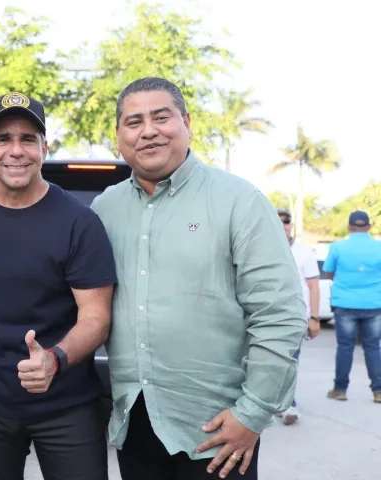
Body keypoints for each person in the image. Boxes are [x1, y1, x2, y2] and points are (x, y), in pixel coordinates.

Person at [90, 77, 306, 480]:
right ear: (119, 136)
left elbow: (280, 314)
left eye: (161, 117)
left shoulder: (239, 201)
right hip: (134, 423)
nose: (148, 130)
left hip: (218, 432)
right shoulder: (105, 208)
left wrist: (253, 414)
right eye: (134, 121)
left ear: (186, 122)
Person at [0, 92, 117, 480]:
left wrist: (54, 358)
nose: (15, 151)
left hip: (65, 405)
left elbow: (96, 318)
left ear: (44, 147)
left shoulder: (79, 222)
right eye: (3, 139)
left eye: (27, 139)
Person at [321, 210, 381, 404]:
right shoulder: (379, 248)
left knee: (345, 347)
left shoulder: (338, 247)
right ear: (369, 227)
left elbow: (328, 272)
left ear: (349, 227)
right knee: (373, 347)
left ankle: (340, 389)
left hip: (345, 303)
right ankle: (378, 391)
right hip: (374, 304)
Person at [276, 208, 322, 425]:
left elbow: (313, 286)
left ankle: (289, 405)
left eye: (286, 221)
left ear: (291, 225)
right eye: (278, 221)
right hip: (260, 317)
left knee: (289, 362)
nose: (283, 225)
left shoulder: (304, 252)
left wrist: (314, 317)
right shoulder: (260, 246)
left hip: (294, 318)